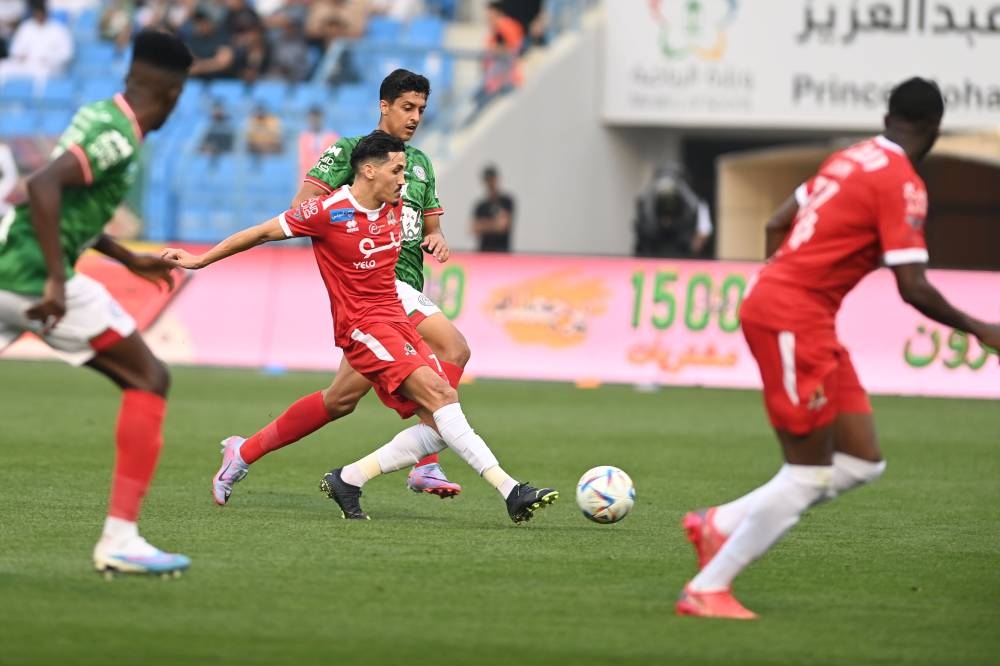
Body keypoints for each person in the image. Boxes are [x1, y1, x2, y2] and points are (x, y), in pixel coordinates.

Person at [676, 77, 1000, 619]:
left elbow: (777, 220)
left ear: (888, 119)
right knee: (808, 473)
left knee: (861, 462)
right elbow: (913, 286)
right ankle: (708, 588)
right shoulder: (902, 182)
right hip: (793, 320)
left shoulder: (849, 159)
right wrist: (981, 328)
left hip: (804, 317)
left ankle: (721, 523)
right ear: (935, 129)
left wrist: (782, 281)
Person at [160, 131, 559, 523]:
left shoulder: (394, 205)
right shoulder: (327, 212)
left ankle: (345, 477)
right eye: (397, 171)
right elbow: (263, 232)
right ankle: (511, 491)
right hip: (364, 327)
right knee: (442, 394)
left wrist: (435, 236)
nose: (403, 180)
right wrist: (200, 260)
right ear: (369, 171)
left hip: (397, 317)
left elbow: (425, 224)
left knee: (422, 418)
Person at [202, 69, 472, 506]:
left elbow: (430, 225)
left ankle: (243, 451)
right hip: (375, 292)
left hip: (401, 291)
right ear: (384, 105)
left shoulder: (419, 163)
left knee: (340, 400)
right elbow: (302, 207)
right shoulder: (350, 151)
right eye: (407, 107)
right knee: (454, 349)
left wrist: (437, 237)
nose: (415, 117)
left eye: (421, 109)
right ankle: (426, 459)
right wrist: (351, 224)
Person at [0, 29, 194, 576]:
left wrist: (128, 257)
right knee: (149, 378)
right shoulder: (120, 136)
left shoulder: (99, 115)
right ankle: (120, 539)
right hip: (33, 278)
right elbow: (43, 186)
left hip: (8, 263)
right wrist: (56, 282)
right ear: (173, 95)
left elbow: (68, 203)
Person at [633, 165, 713, 259]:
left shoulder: (694, 203)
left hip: (681, 251)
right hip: (653, 251)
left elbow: (703, 232)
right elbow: (641, 230)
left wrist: (691, 252)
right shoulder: (647, 201)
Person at [0, 0, 74, 82]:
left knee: (41, 73)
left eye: (41, 13)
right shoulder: (26, 27)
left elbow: (66, 54)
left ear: (46, 13)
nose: (39, 15)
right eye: (37, 13)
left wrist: (50, 59)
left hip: (48, 66)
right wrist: (20, 56)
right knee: (3, 67)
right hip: (26, 64)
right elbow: (15, 50)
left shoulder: (59, 29)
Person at [471, 164, 514, 253]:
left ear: (497, 179)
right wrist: (494, 223)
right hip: (484, 252)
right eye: (488, 180)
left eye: (492, 179)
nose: (490, 183)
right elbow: (474, 229)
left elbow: (503, 226)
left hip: (502, 252)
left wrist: (484, 224)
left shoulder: (506, 202)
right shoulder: (481, 206)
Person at [297, 105, 338, 178]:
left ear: (322, 118)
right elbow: (302, 163)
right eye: (312, 119)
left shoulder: (332, 137)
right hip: (308, 179)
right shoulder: (303, 138)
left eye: (317, 119)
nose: (314, 121)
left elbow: (334, 162)